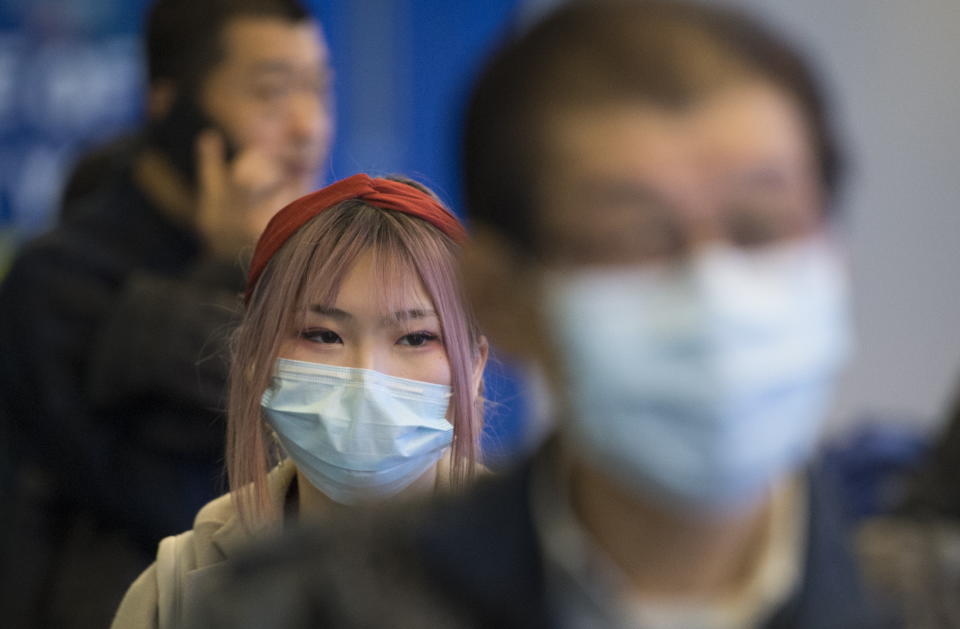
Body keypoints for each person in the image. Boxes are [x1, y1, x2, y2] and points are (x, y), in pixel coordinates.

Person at [192, 1, 896, 628]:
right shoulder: (295, 605)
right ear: (502, 298)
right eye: (632, 239)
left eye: (760, 227)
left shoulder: (924, 600)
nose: (713, 289)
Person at [0, 0, 331, 627]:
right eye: (271, 93)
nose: (307, 125)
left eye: (318, 89)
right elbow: (168, 497)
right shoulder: (56, 280)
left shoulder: (321, 272)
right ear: (169, 102)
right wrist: (234, 267)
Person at [111, 173, 488, 629]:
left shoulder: (548, 570)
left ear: (474, 366)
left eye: (415, 338)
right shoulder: (179, 589)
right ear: (255, 358)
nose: (365, 378)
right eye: (322, 335)